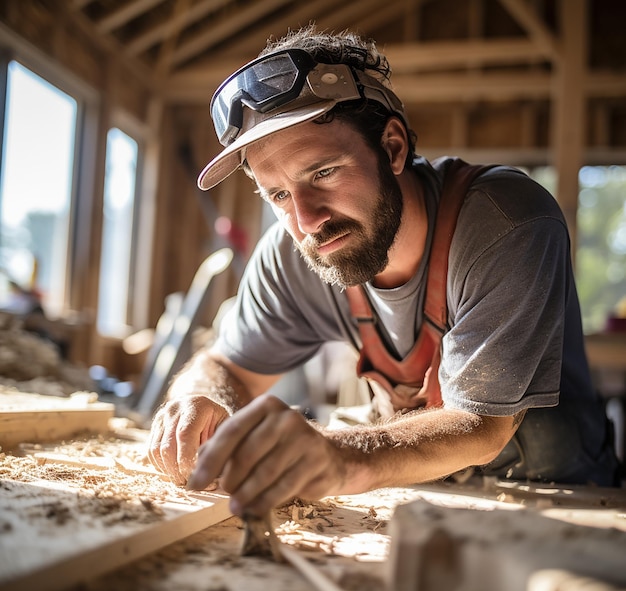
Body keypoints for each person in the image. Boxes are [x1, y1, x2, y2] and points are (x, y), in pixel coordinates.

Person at [148, 26, 620, 517]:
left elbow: (480, 426)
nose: (306, 219)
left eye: (323, 173)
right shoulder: (293, 253)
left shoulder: (506, 221)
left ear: (392, 148)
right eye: (278, 196)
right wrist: (197, 398)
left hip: (560, 507)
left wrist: (339, 454)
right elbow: (225, 366)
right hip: (417, 500)